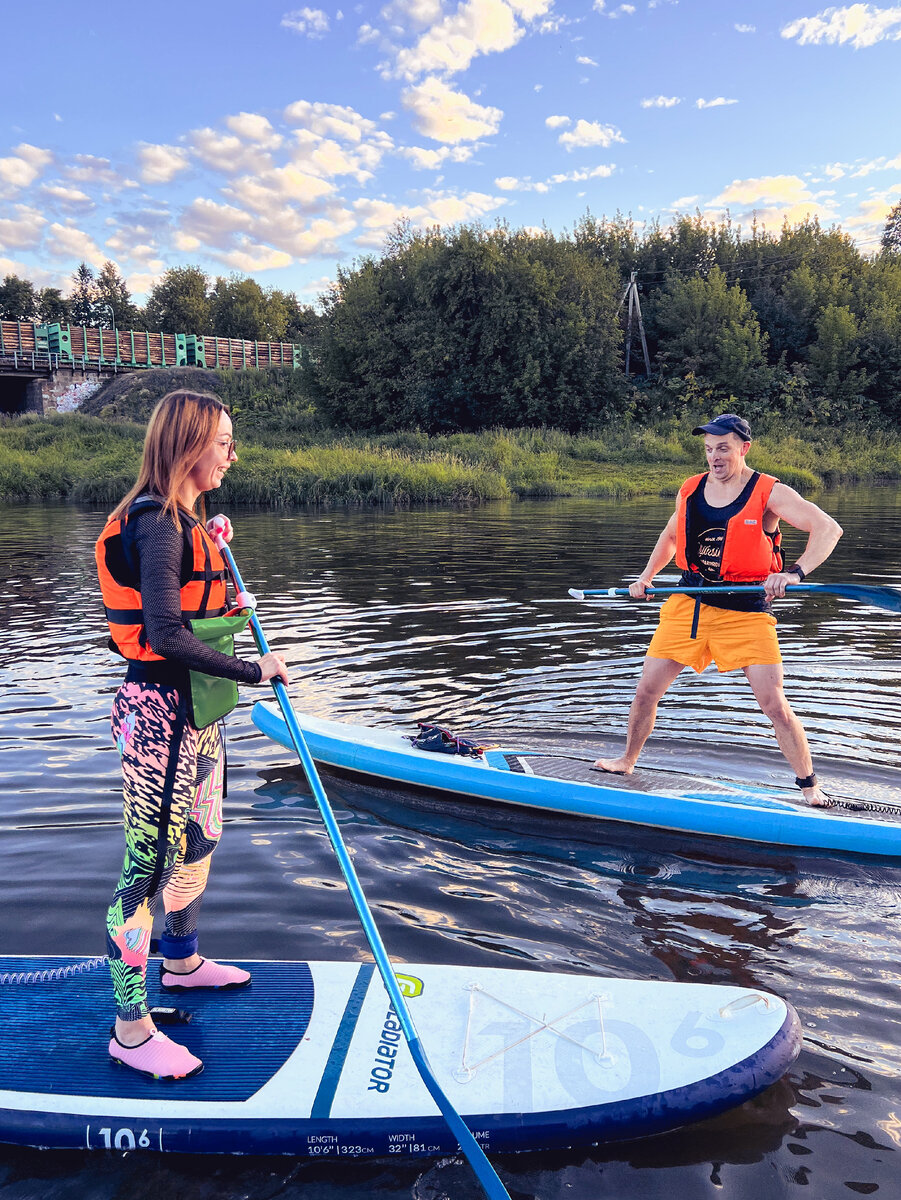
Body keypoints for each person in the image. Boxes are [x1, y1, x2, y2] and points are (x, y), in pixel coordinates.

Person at [95, 390, 289, 1081]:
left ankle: (181, 963)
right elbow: (164, 636)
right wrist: (254, 668)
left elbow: (187, 617)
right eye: (224, 442)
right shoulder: (156, 525)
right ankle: (130, 1028)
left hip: (199, 715)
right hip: (160, 718)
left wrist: (229, 605)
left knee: (199, 842)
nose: (232, 456)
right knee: (144, 871)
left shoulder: (186, 524)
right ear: (188, 445)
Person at [593, 413, 842, 807]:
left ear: (744, 448)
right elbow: (673, 535)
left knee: (774, 704)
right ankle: (626, 761)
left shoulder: (769, 492)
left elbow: (828, 529)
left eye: (723, 448)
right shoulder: (691, 489)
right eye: (709, 450)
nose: (715, 457)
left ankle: (811, 786)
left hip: (745, 610)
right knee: (646, 691)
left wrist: (794, 573)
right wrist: (645, 576)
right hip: (689, 604)